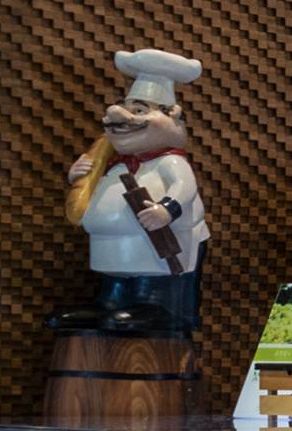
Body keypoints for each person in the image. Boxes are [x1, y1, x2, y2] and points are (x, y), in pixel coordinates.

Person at [63, 49, 210, 338]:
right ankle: (109, 304)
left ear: (173, 118)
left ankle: (157, 307)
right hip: (114, 248)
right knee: (116, 278)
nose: (122, 116)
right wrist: (77, 176)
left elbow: (185, 187)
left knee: (153, 277)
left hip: (160, 246)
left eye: (140, 111)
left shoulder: (170, 162)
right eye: (124, 107)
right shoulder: (113, 161)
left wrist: (166, 209)